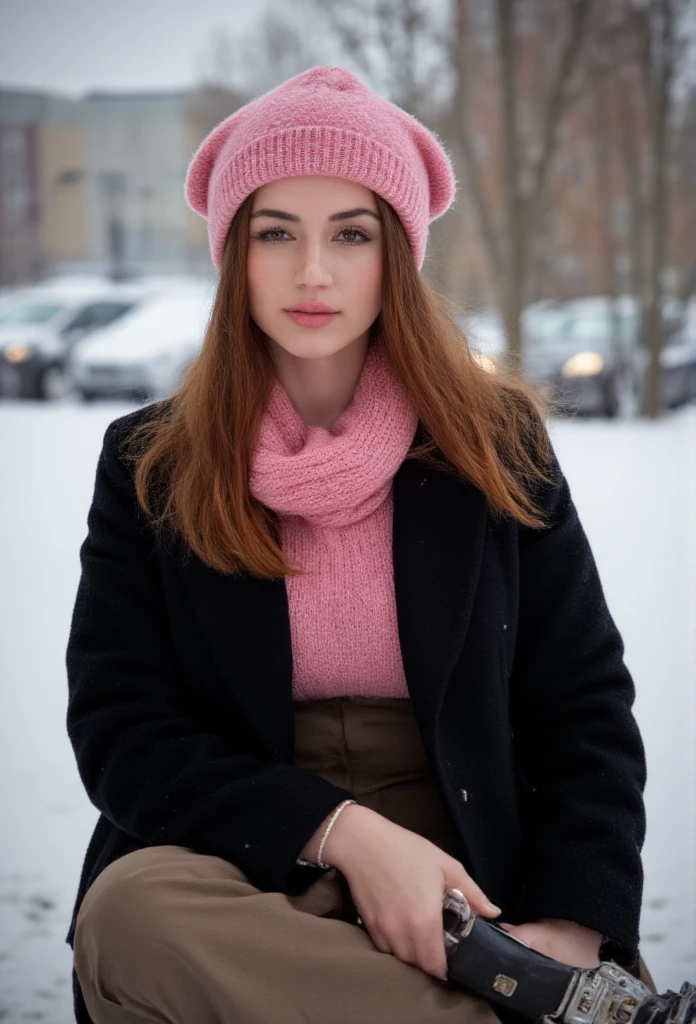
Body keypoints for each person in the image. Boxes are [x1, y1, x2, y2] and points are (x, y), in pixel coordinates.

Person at [65, 66, 656, 1024]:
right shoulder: (149, 460)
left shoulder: (491, 442)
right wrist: (342, 833)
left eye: (351, 232)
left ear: (398, 254)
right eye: (275, 233)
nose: (312, 273)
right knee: (130, 918)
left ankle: (515, 981)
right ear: (233, 255)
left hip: (467, 870)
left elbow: (581, 703)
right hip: (240, 858)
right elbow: (122, 731)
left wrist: (576, 922)